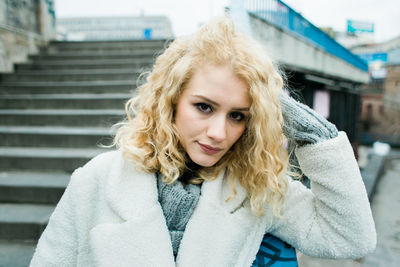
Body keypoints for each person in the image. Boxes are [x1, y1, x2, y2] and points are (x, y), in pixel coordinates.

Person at [30, 17, 376, 266]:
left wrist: (310, 130)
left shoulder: (254, 187)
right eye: (204, 107)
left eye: (238, 115)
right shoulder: (97, 180)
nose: (218, 133)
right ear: (171, 100)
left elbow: (348, 237)